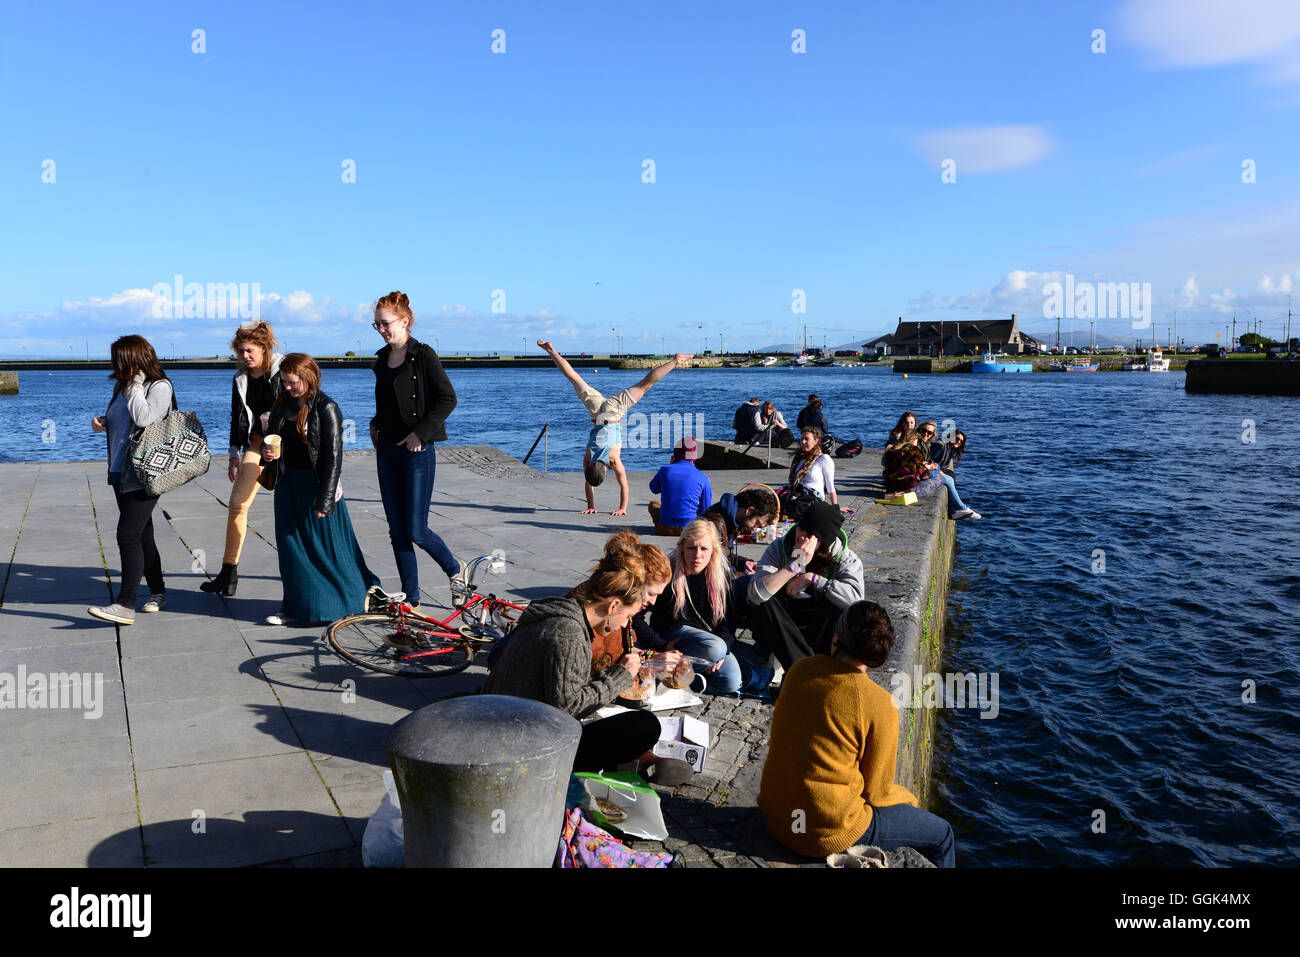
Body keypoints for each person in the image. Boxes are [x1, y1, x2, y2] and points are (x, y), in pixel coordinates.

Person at [758, 601, 956, 867]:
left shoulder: (800, 671)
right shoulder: (880, 704)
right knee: (942, 834)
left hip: (779, 819)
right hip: (822, 834)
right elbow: (878, 793)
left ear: (837, 639)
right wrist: (909, 800)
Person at [483, 532, 688, 780]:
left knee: (635, 723)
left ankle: (627, 758)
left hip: (511, 720)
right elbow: (568, 707)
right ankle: (609, 763)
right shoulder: (569, 634)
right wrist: (621, 676)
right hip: (521, 743)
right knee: (643, 727)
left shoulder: (571, 616)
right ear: (613, 606)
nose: (625, 625)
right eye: (626, 617)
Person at [261, 354, 380, 625]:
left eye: (292, 383)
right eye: (285, 382)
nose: (288, 387)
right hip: (287, 484)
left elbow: (333, 457)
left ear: (308, 378)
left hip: (316, 487)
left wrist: (325, 500)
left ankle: (343, 602)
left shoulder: (327, 407)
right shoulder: (282, 403)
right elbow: (272, 443)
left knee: (329, 550)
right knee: (292, 548)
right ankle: (293, 608)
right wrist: (266, 454)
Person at [369, 292, 462, 605]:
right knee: (397, 531)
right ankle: (411, 597)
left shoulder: (423, 355)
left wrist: (420, 434)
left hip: (417, 453)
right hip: (387, 451)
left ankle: (454, 569)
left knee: (416, 529)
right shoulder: (382, 360)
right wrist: (375, 425)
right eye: (377, 324)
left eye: (386, 323)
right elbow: (387, 404)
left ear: (404, 321)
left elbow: (447, 399)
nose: (381, 329)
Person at [537, 339, 691, 515]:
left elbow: (623, 483)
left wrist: (622, 508)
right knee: (574, 378)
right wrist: (591, 506)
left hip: (613, 412)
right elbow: (590, 481)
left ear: (604, 469)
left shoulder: (613, 460)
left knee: (646, 384)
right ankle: (551, 351)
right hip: (596, 412)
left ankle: (676, 361)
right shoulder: (588, 460)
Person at [88, 336, 175, 625]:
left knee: (127, 534)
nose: (113, 363)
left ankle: (125, 605)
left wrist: (136, 386)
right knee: (142, 534)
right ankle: (158, 592)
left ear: (133, 359)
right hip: (120, 472)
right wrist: (102, 421)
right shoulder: (123, 386)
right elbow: (122, 421)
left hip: (145, 473)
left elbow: (145, 420)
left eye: (118, 358)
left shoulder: (159, 386)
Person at [199, 321, 284, 598]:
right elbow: (236, 416)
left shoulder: (283, 372)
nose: (245, 357)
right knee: (237, 505)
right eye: (240, 352)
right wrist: (234, 453)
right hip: (257, 444)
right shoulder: (240, 379)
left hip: (286, 446)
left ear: (263, 348)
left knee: (296, 509)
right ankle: (228, 573)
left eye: (249, 351)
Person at [648, 519, 773, 694]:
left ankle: (689, 680)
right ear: (682, 547)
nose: (697, 555)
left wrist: (721, 652)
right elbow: (637, 614)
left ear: (713, 550)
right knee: (717, 648)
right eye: (692, 548)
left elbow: (728, 620)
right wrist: (661, 645)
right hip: (675, 637)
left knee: (733, 681)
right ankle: (669, 673)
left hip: (709, 642)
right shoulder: (669, 571)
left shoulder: (721, 575)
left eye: (704, 549)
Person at [746, 500, 865, 670]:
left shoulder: (846, 559)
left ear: (823, 541)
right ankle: (802, 669)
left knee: (839, 606)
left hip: (820, 622)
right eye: (801, 529)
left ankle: (803, 668)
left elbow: (856, 601)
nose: (801, 537)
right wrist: (794, 565)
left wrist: (815, 580)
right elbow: (754, 594)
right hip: (786, 620)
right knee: (765, 602)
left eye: (809, 535)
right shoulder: (780, 548)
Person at [883, 429, 980, 520]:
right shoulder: (912, 450)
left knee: (944, 474)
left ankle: (959, 509)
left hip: (891, 486)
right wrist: (931, 469)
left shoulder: (892, 450)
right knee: (944, 478)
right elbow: (923, 475)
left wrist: (924, 465)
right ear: (913, 439)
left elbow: (901, 468)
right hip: (910, 489)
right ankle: (960, 509)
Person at [647, 436, 712, 535]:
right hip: (689, 530)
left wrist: (670, 465)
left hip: (664, 528)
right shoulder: (704, 478)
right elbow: (706, 510)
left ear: (675, 455)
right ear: (694, 457)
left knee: (653, 504)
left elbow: (653, 488)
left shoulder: (665, 470)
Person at [788, 426, 837, 505]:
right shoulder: (797, 458)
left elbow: (830, 487)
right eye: (802, 439)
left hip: (813, 499)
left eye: (807, 439)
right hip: (797, 496)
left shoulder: (823, 459)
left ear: (816, 441)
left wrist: (836, 508)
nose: (803, 442)